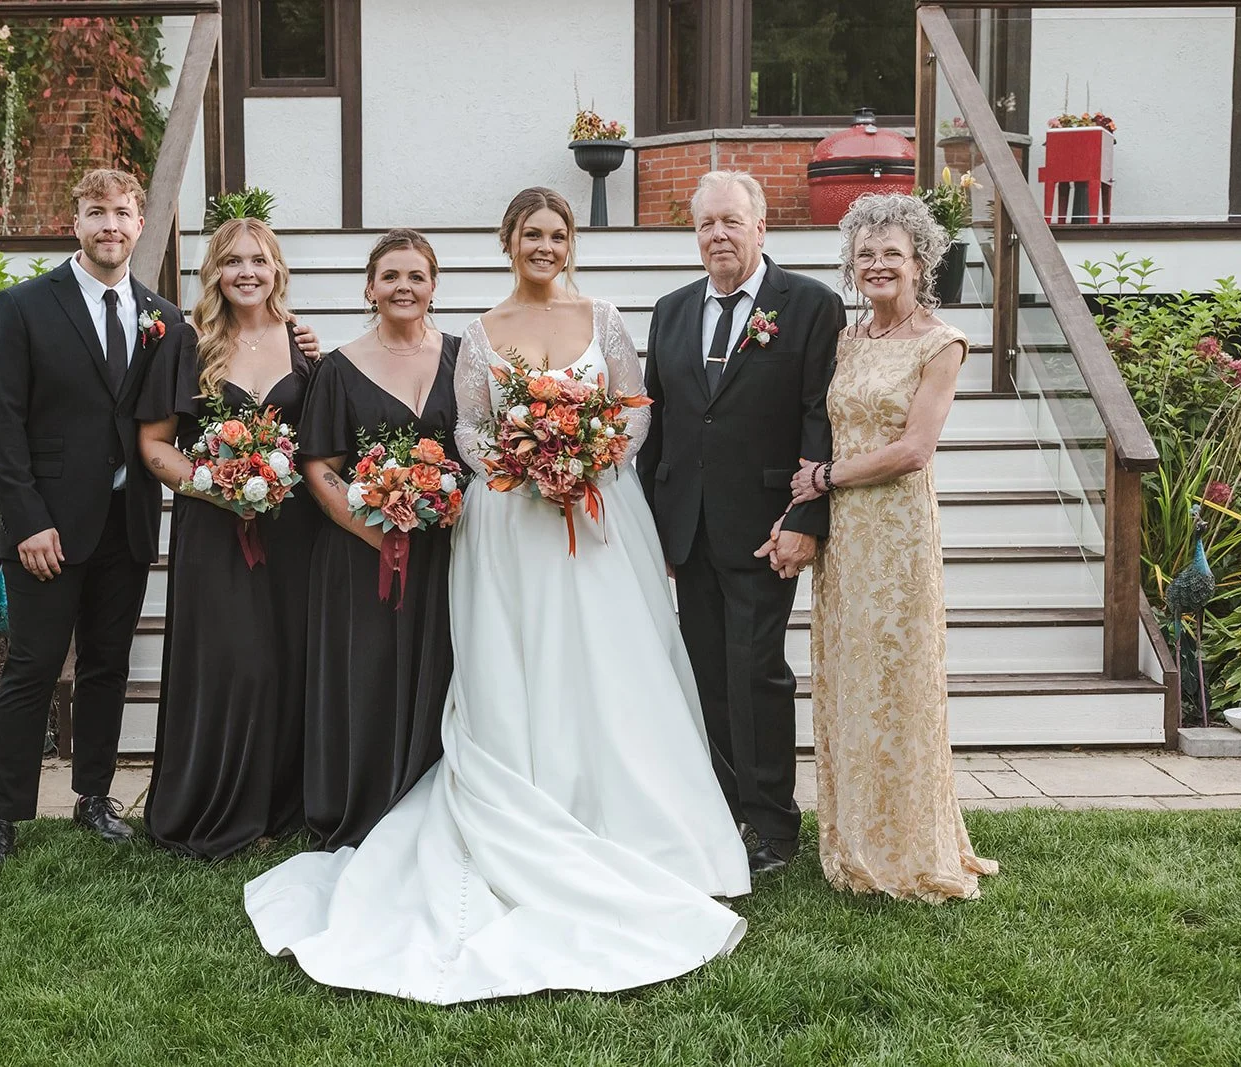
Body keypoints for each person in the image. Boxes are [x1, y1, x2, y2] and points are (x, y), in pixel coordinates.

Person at [244, 188, 751, 1005]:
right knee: (522, 658)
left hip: (599, 513)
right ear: (508, 242)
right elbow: (472, 430)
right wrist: (528, 462)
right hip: (512, 518)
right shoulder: (477, 335)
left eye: (555, 235)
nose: (543, 246)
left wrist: (585, 458)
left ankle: (633, 819)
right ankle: (523, 786)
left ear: (570, 242)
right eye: (530, 234)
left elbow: (634, 411)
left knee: (611, 662)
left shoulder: (607, 316)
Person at [0, 169, 182, 877]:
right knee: (29, 670)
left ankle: (94, 795)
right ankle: (1, 819)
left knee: (108, 666)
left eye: (122, 213)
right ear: (77, 222)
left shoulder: (163, 316)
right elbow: (0, 422)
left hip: (126, 523)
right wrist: (27, 518)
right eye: (97, 213)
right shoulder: (26, 306)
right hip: (47, 530)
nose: (110, 225)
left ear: (140, 224)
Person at [786, 192, 998, 902]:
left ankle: (909, 846)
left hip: (896, 531)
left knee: (898, 679)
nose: (878, 265)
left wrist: (825, 477)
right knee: (849, 677)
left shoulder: (942, 343)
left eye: (892, 254)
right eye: (865, 253)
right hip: (844, 537)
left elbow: (913, 449)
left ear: (921, 263)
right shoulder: (846, 340)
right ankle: (852, 838)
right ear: (851, 264)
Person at [638, 171, 843, 878]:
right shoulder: (669, 310)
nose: (718, 235)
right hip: (685, 527)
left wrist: (804, 516)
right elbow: (659, 421)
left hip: (764, 525)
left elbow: (822, 417)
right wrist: (652, 529)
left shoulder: (810, 306)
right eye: (705, 224)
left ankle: (773, 825)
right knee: (706, 676)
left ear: (761, 229)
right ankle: (721, 810)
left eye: (731, 221)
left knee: (755, 671)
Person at [136, 218, 319, 860]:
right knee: (232, 662)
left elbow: (321, 443)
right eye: (233, 260)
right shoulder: (187, 344)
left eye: (259, 260)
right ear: (214, 271)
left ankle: (277, 806)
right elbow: (154, 446)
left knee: (284, 662)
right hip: (215, 530)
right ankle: (216, 802)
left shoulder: (304, 346)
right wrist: (217, 483)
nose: (247, 271)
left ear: (277, 271)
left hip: (293, 534)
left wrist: (270, 483)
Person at [296, 228, 461, 850]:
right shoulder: (339, 368)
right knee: (370, 674)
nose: (404, 287)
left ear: (433, 287)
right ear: (370, 288)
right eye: (391, 276)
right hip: (363, 557)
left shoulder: (461, 356)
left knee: (445, 672)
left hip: (447, 553)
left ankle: (439, 799)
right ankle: (367, 799)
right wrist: (376, 533)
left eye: (416, 276)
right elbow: (320, 466)